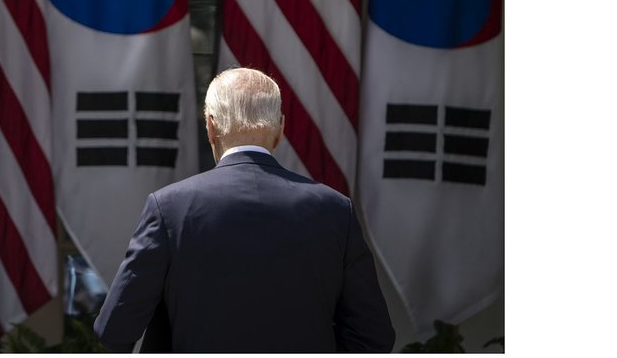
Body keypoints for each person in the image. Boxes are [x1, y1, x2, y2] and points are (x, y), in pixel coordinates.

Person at [94, 67, 395, 353]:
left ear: (211, 126)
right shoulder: (335, 210)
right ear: (280, 130)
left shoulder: (168, 208)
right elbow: (374, 336)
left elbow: (115, 330)